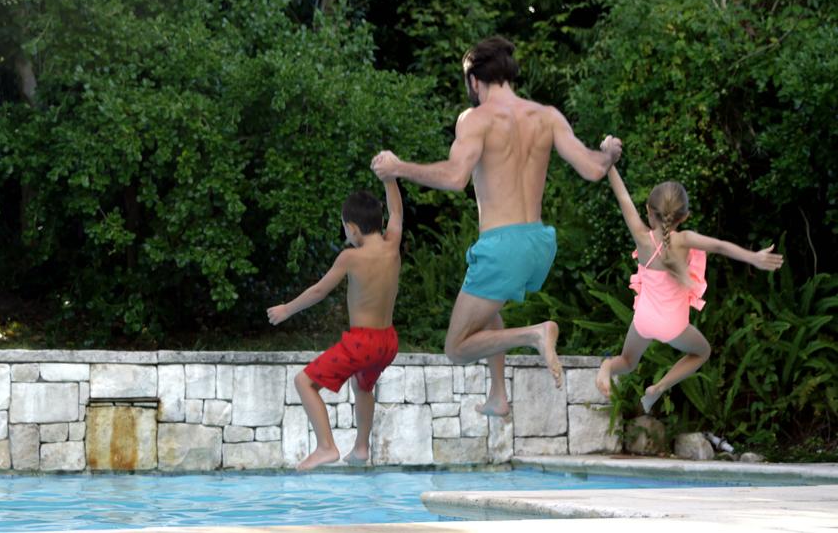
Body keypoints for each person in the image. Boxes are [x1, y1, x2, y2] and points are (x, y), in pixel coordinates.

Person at [371, 36, 621, 416]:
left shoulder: (476, 119)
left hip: (502, 246)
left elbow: (456, 177)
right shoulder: (547, 115)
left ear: (474, 80)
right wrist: (609, 153)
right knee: (488, 309)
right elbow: (593, 169)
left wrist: (398, 167)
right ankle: (498, 395)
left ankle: (534, 334)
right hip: (538, 243)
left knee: (456, 348)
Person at [596, 165, 784, 412]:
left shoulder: (642, 238)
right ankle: (658, 388)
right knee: (702, 352)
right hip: (673, 326)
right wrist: (753, 257)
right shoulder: (685, 240)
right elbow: (720, 246)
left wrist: (609, 160)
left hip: (643, 320)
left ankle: (606, 367)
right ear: (683, 217)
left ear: (649, 212)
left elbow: (622, 197)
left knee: (628, 361)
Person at [266, 176, 403, 470]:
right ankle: (362, 447)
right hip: (388, 342)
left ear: (352, 228)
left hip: (362, 342)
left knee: (304, 382)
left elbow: (319, 291)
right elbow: (398, 213)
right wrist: (390, 179)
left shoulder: (350, 257)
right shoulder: (393, 246)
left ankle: (326, 447)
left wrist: (286, 310)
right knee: (363, 386)